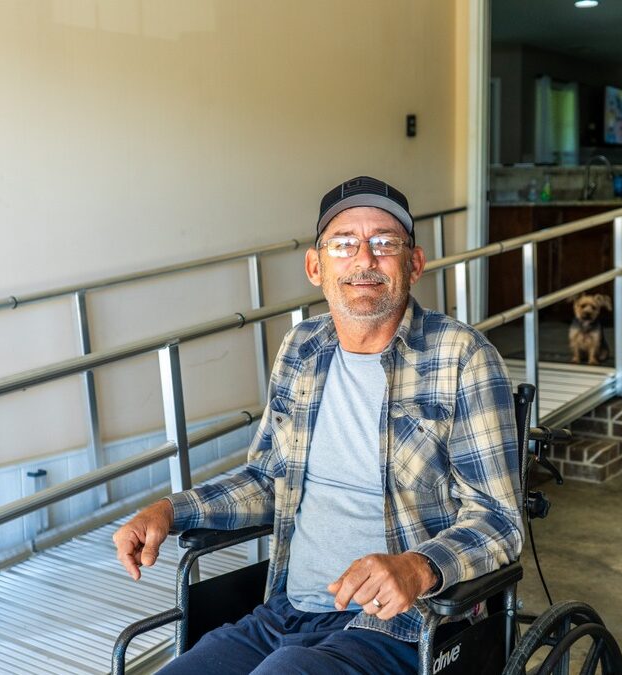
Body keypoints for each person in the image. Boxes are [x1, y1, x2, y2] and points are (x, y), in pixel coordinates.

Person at [113, 176, 523, 674]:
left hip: (407, 626)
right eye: (344, 244)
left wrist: (417, 567)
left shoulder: (463, 358)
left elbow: (498, 521)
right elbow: (268, 481)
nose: (365, 260)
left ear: (414, 264)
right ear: (316, 266)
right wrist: (169, 511)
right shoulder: (301, 350)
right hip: (286, 612)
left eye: (385, 243)